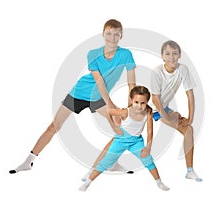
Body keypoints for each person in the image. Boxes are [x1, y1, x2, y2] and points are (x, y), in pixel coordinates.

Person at [9, 19, 136, 174]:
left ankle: (112, 163)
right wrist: (113, 107)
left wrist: (130, 108)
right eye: (109, 33)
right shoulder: (93, 54)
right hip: (80, 93)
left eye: (117, 34)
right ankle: (28, 162)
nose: (112, 38)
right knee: (54, 126)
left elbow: (132, 85)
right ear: (103, 34)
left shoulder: (126, 55)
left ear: (121, 36)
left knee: (120, 129)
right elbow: (100, 83)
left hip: (98, 98)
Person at [79, 86, 170, 191]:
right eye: (136, 102)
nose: (139, 106)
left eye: (143, 103)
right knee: (105, 162)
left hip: (136, 142)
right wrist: (114, 126)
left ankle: (159, 183)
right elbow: (109, 112)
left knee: (148, 160)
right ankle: (87, 182)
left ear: (147, 102)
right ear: (131, 100)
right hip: (121, 140)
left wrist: (148, 147)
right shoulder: (125, 112)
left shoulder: (148, 112)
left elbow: (150, 131)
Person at [150, 40, 202, 182]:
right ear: (162, 56)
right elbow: (155, 99)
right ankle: (106, 163)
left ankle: (190, 171)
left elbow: (190, 94)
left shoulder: (183, 69)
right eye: (167, 54)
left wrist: (190, 118)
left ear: (179, 55)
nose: (171, 57)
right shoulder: (157, 72)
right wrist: (166, 117)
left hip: (163, 108)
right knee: (127, 133)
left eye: (174, 53)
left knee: (189, 129)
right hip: (148, 108)